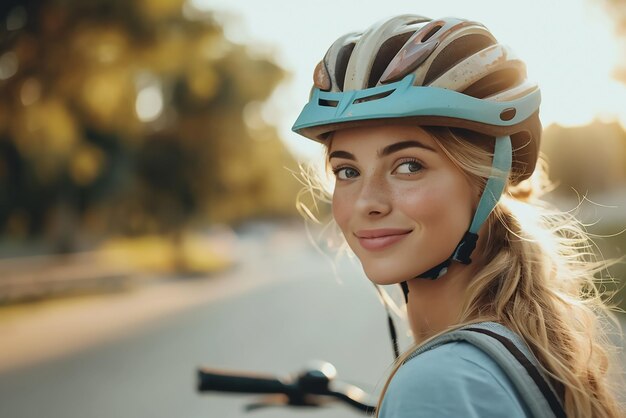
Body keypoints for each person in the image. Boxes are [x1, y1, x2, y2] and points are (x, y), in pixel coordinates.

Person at [292, 15, 623, 418]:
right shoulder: (526, 346)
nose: (366, 203)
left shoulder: (436, 384)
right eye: (348, 172)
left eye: (409, 166)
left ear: (488, 181)